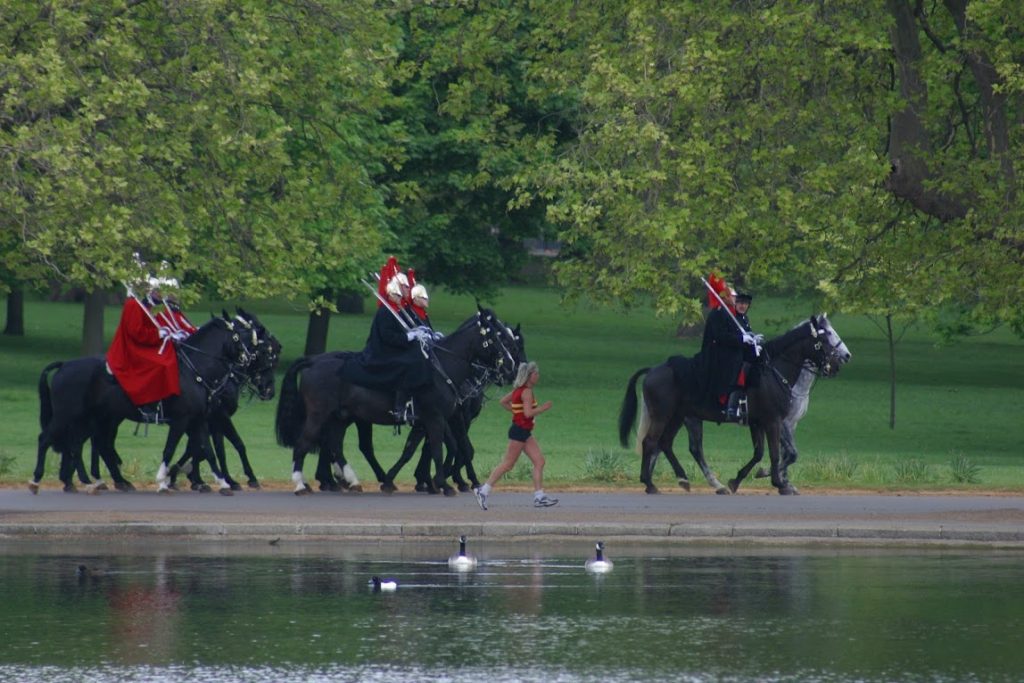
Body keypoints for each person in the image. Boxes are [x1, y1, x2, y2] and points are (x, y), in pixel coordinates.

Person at [474, 361, 557, 510]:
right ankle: (483, 491)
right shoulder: (526, 392)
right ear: (530, 375)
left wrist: (517, 413)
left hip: (523, 431)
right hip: (519, 432)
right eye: (536, 373)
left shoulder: (519, 390)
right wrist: (543, 408)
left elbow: (503, 402)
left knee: (539, 461)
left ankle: (539, 497)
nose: (538, 376)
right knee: (508, 464)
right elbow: (528, 413)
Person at [105, 278, 188, 420]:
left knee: (170, 357)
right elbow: (136, 332)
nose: (152, 291)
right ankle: (149, 404)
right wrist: (158, 334)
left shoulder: (144, 304)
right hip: (131, 347)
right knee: (161, 364)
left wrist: (166, 332)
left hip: (144, 343)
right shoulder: (133, 304)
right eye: (147, 288)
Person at [360, 272, 433, 424]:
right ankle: (400, 408)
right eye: (398, 295)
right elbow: (389, 337)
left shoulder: (397, 310)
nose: (401, 298)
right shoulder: (386, 312)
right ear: (391, 295)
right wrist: (410, 336)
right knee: (406, 365)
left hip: (394, 347)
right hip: (382, 351)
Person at [698, 274, 762, 423]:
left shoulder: (736, 315)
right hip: (717, 352)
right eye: (733, 296)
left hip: (732, 349)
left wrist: (752, 339)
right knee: (736, 365)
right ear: (725, 297)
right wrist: (741, 339)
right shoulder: (718, 313)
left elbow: (739, 333)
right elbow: (720, 336)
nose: (735, 300)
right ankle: (731, 407)